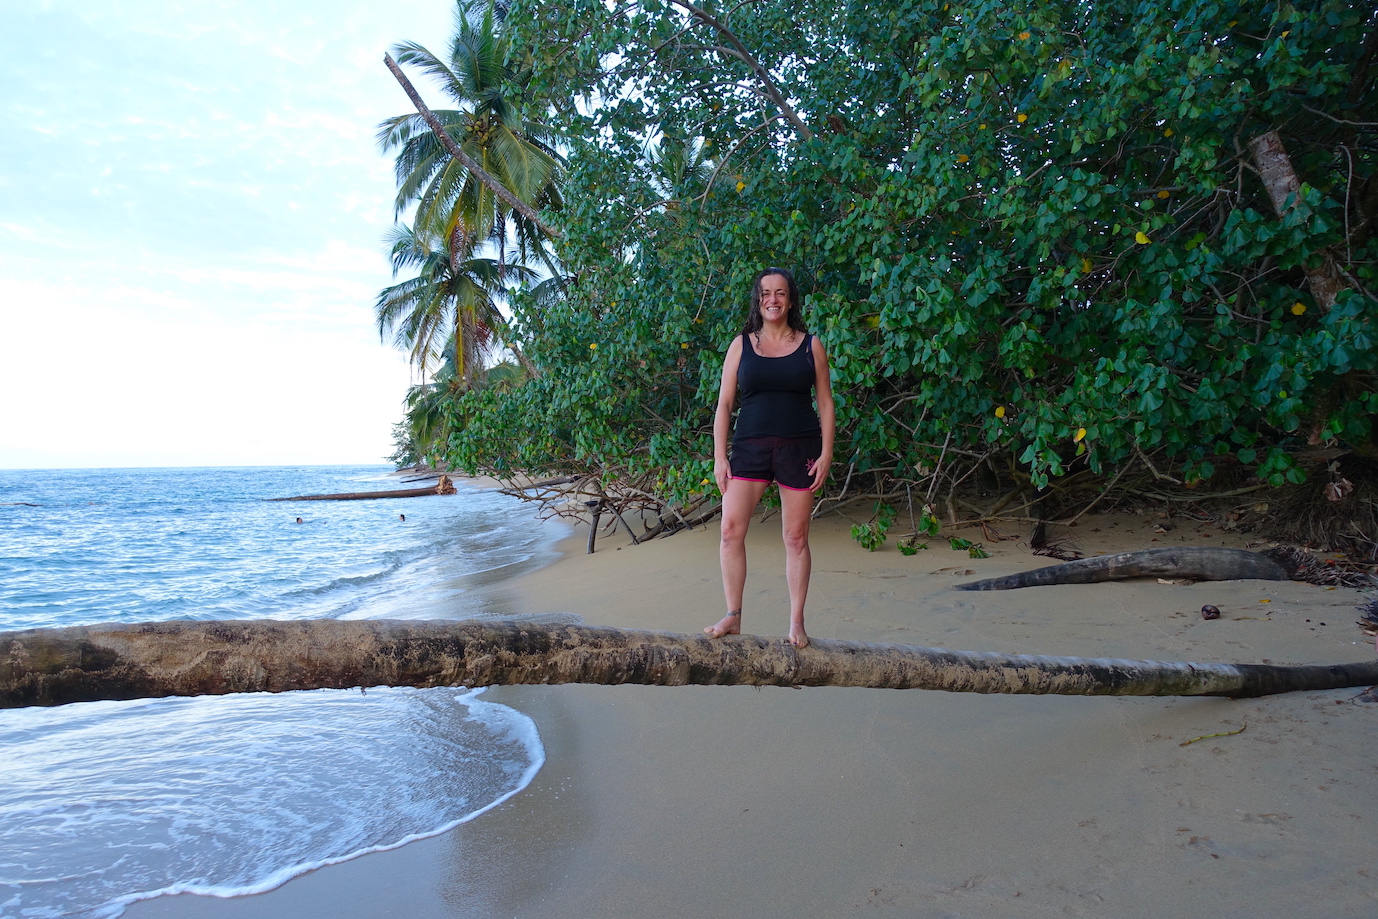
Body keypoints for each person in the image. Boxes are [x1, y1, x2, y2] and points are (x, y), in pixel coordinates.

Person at [703, 267, 835, 648]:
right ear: (757, 301)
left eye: (780, 293)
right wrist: (719, 457)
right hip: (749, 449)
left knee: (795, 538)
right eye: (765, 294)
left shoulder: (812, 345)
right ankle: (733, 615)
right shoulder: (740, 345)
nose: (772, 300)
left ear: (790, 300)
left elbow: (825, 403)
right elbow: (724, 404)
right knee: (730, 531)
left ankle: (796, 622)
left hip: (801, 448)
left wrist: (826, 453)